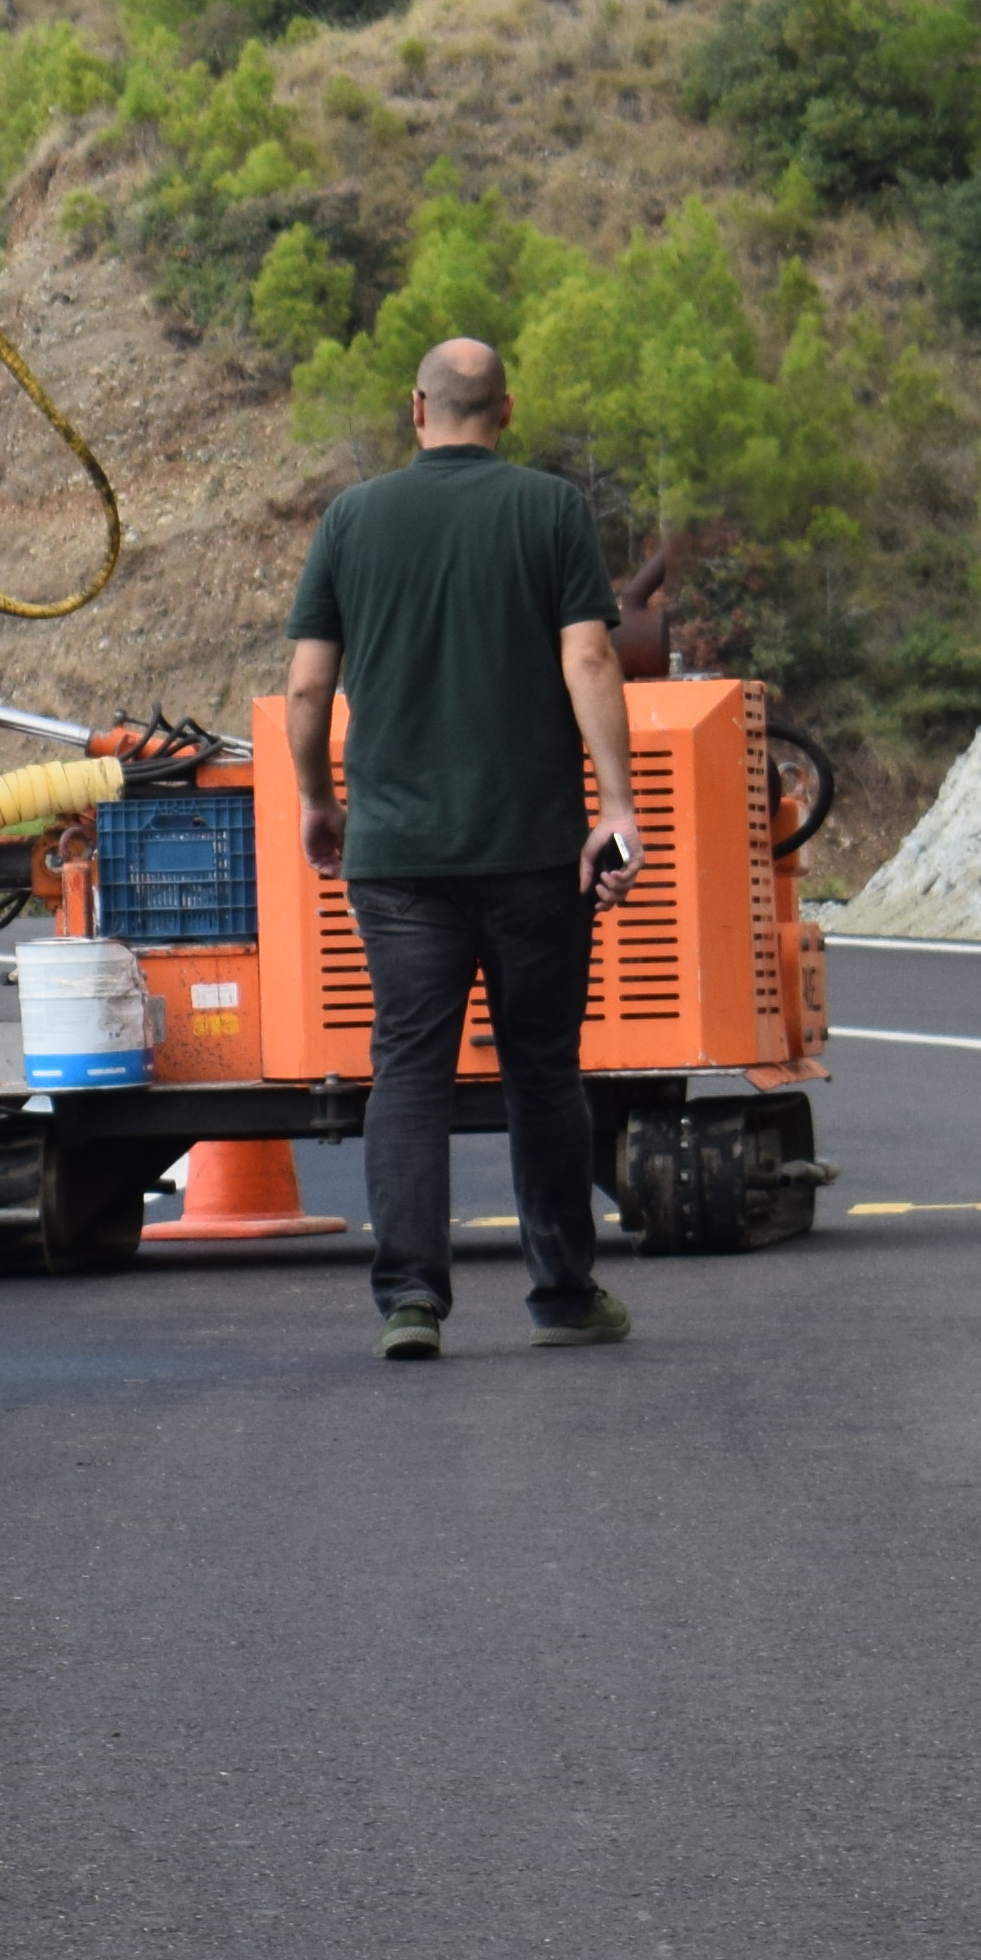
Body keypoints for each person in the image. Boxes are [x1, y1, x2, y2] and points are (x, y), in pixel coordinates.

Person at [285, 335, 643, 1360]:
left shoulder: (354, 518)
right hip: (536, 851)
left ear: (417, 409)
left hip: (396, 856)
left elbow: (309, 687)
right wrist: (616, 806)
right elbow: (588, 653)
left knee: (408, 1067)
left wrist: (319, 799)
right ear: (507, 410)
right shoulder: (550, 510)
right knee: (541, 1067)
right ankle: (565, 1298)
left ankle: (410, 1300)